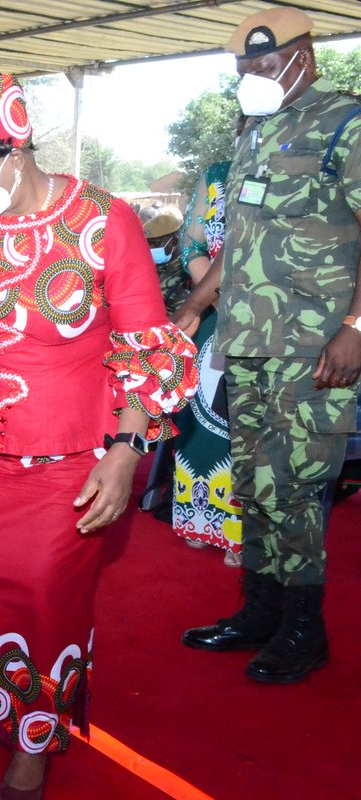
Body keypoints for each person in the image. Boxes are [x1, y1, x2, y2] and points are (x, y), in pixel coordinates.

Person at [0, 72, 196, 799]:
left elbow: (146, 343)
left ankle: (34, 736)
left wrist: (128, 448)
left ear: (15, 151)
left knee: (43, 594)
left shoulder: (101, 219)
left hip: (74, 455)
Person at [178, 8, 361, 685]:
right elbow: (243, 241)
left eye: (262, 63)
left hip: (314, 346)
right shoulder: (256, 135)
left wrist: (356, 329)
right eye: (242, 68)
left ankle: (305, 630)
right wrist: (194, 305)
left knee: (300, 490)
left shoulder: (347, 122)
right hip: (248, 343)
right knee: (256, 488)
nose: (251, 76)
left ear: (303, 55)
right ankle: (259, 611)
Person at [171, 159, 243, 565]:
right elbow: (193, 245)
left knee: (247, 422)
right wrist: (217, 298)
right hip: (212, 310)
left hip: (275, 317)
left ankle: (244, 531)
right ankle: (200, 519)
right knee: (204, 415)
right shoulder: (219, 175)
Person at [144, 208, 189, 314]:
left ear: (174, 242)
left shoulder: (188, 271)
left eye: (155, 244)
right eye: (147, 244)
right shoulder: (152, 268)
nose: (150, 249)